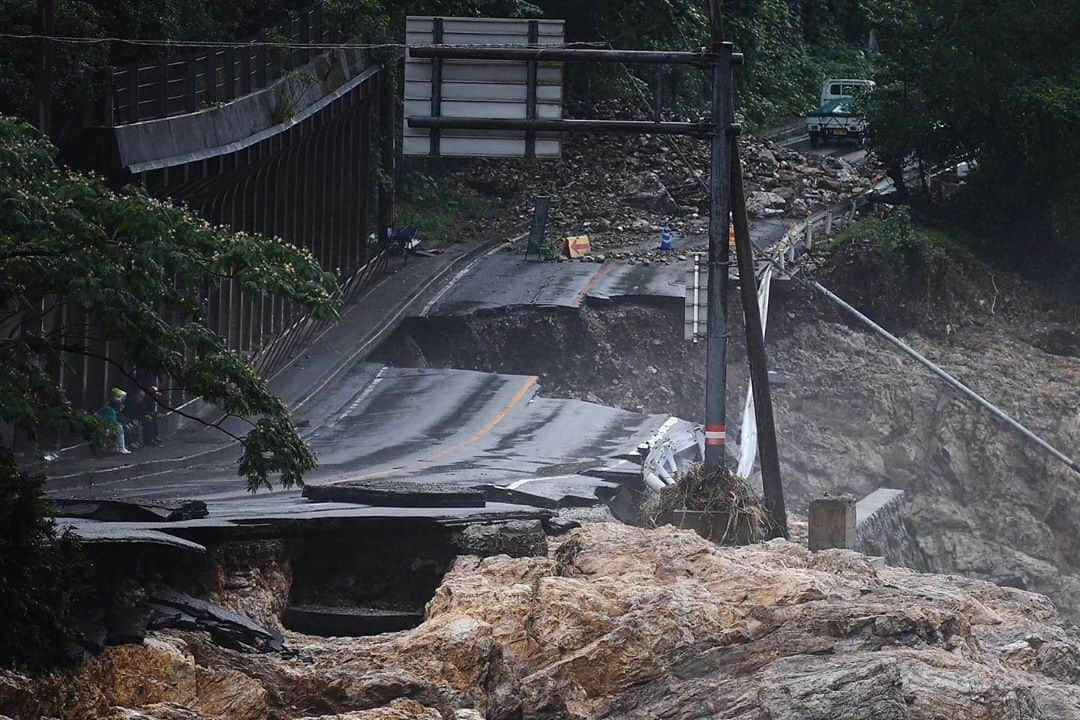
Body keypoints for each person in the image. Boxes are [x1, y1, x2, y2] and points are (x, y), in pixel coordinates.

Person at [97, 388, 132, 455]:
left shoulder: (114, 406)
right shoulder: (110, 407)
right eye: (121, 398)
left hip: (109, 423)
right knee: (119, 428)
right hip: (106, 424)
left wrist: (125, 423)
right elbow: (111, 420)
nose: (122, 400)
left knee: (121, 427)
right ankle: (121, 448)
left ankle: (121, 447)